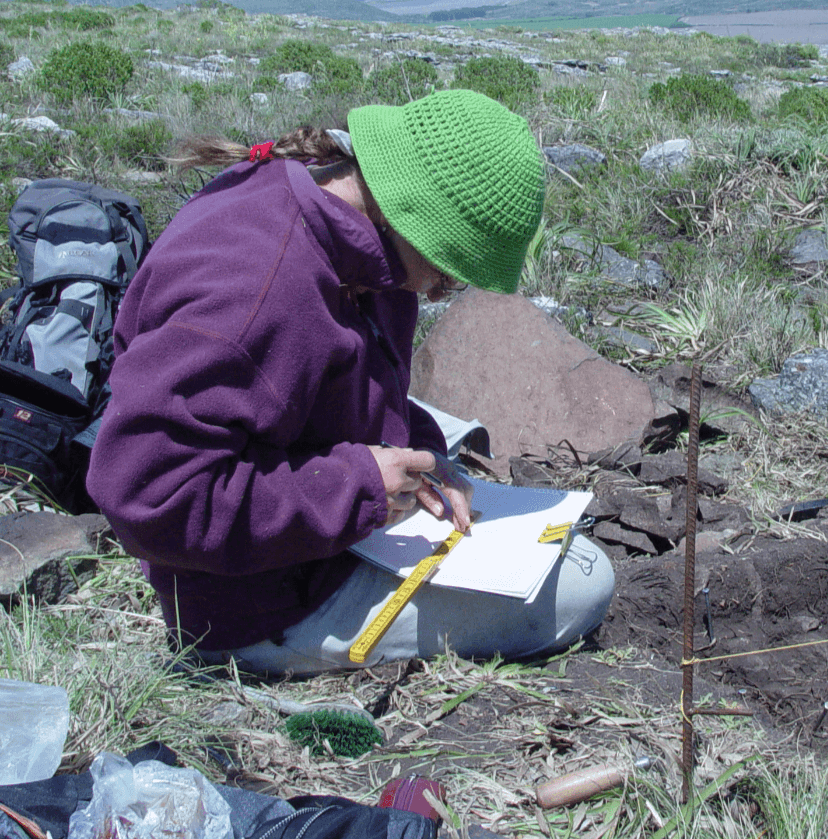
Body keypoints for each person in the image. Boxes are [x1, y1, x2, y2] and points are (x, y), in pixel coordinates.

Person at [86, 89, 615, 676]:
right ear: (405, 211)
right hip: (256, 604)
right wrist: (360, 486)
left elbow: (345, 378)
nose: (442, 291)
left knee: (462, 447)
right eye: (446, 267)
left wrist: (421, 455)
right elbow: (150, 497)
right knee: (582, 580)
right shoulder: (255, 290)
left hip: (318, 532)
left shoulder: (353, 234)